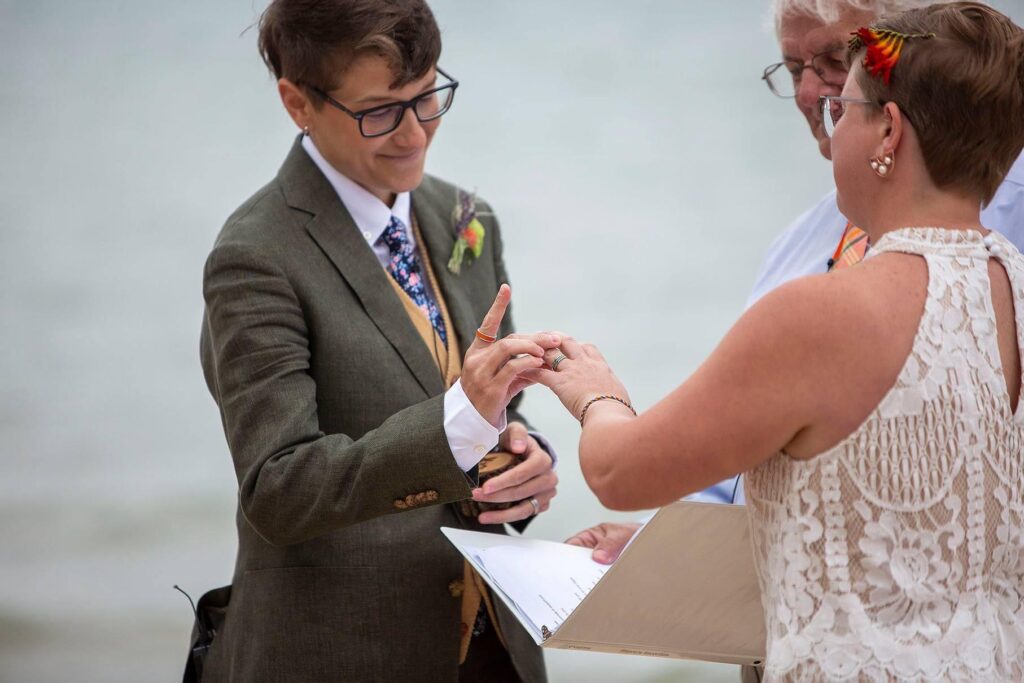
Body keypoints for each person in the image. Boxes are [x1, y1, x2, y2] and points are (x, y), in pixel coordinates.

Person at [535, 2, 1024, 678]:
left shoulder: (819, 314)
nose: (825, 120)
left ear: (889, 130)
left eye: (843, 106)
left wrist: (597, 395)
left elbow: (618, 472)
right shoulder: (1014, 287)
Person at [185, 1, 558, 680]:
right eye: (380, 111)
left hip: (495, 649)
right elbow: (279, 485)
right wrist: (456, 427)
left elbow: (486, 406)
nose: (415, 134)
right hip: (340, 652)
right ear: (298, 102)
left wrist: (525, 456)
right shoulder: (255, 255)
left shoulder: (466, 218)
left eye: (429, 98)